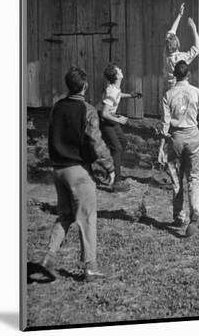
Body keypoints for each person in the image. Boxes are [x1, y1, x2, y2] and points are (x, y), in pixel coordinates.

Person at [41, 66, 115, 283]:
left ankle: (49, 256)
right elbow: (95, 141)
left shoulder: (56, 108)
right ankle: (90, 267)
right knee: (87, 218)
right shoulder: (88, 110)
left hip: (58, 170)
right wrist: (109, 167)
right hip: (78, 172)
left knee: (65, 216)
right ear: (85, 86)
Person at [161, 61, 199, 237]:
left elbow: (165, 123)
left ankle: (179, 215)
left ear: (175, 75)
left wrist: (162, 146)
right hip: (193, 136)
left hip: (176, 138)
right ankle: (194, 208)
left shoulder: (168, 94)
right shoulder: (196, 92)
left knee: (176, 177)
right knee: (194, 176)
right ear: (188, 74)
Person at [158, 3, 199, 164]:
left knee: (168, 119)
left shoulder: (166, 54)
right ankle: (181, 149)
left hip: (168, 89)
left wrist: (179, 15)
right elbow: (197, 48)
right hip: (180, 89)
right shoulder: (181, 58)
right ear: (178, 45)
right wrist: (194, 29)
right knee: (182, 117)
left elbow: (171, 32)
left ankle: (165, 148)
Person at [99, 63, 142, 192]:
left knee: (123, 142)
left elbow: (118, 94)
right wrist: (119, 119)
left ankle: (111, 169)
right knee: (117, 148)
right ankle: (117, 181)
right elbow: (104, 113)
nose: (121, 70)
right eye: (119, 70)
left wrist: (130, 95)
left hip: (112, 121)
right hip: (106, 122)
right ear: (117, 76)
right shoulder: (111, 90)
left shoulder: (115, 88)